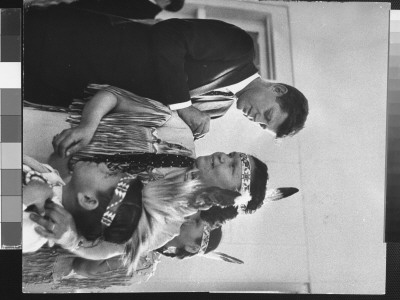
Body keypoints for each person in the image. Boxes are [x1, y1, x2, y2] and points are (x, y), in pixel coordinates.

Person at [24, 5, 309, 139]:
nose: (255, 119)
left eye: (261, 125)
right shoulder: (239, 48)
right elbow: (169, 35)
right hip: (74, 44)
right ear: (278, 89)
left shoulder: (218, 110)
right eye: (267, 114)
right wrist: (183, 107)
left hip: (69, 88)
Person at [25, 0, 185, 19]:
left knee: (57, 10)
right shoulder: (147, 7)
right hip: (93, 6)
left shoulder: (147, 12)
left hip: (94, 9)